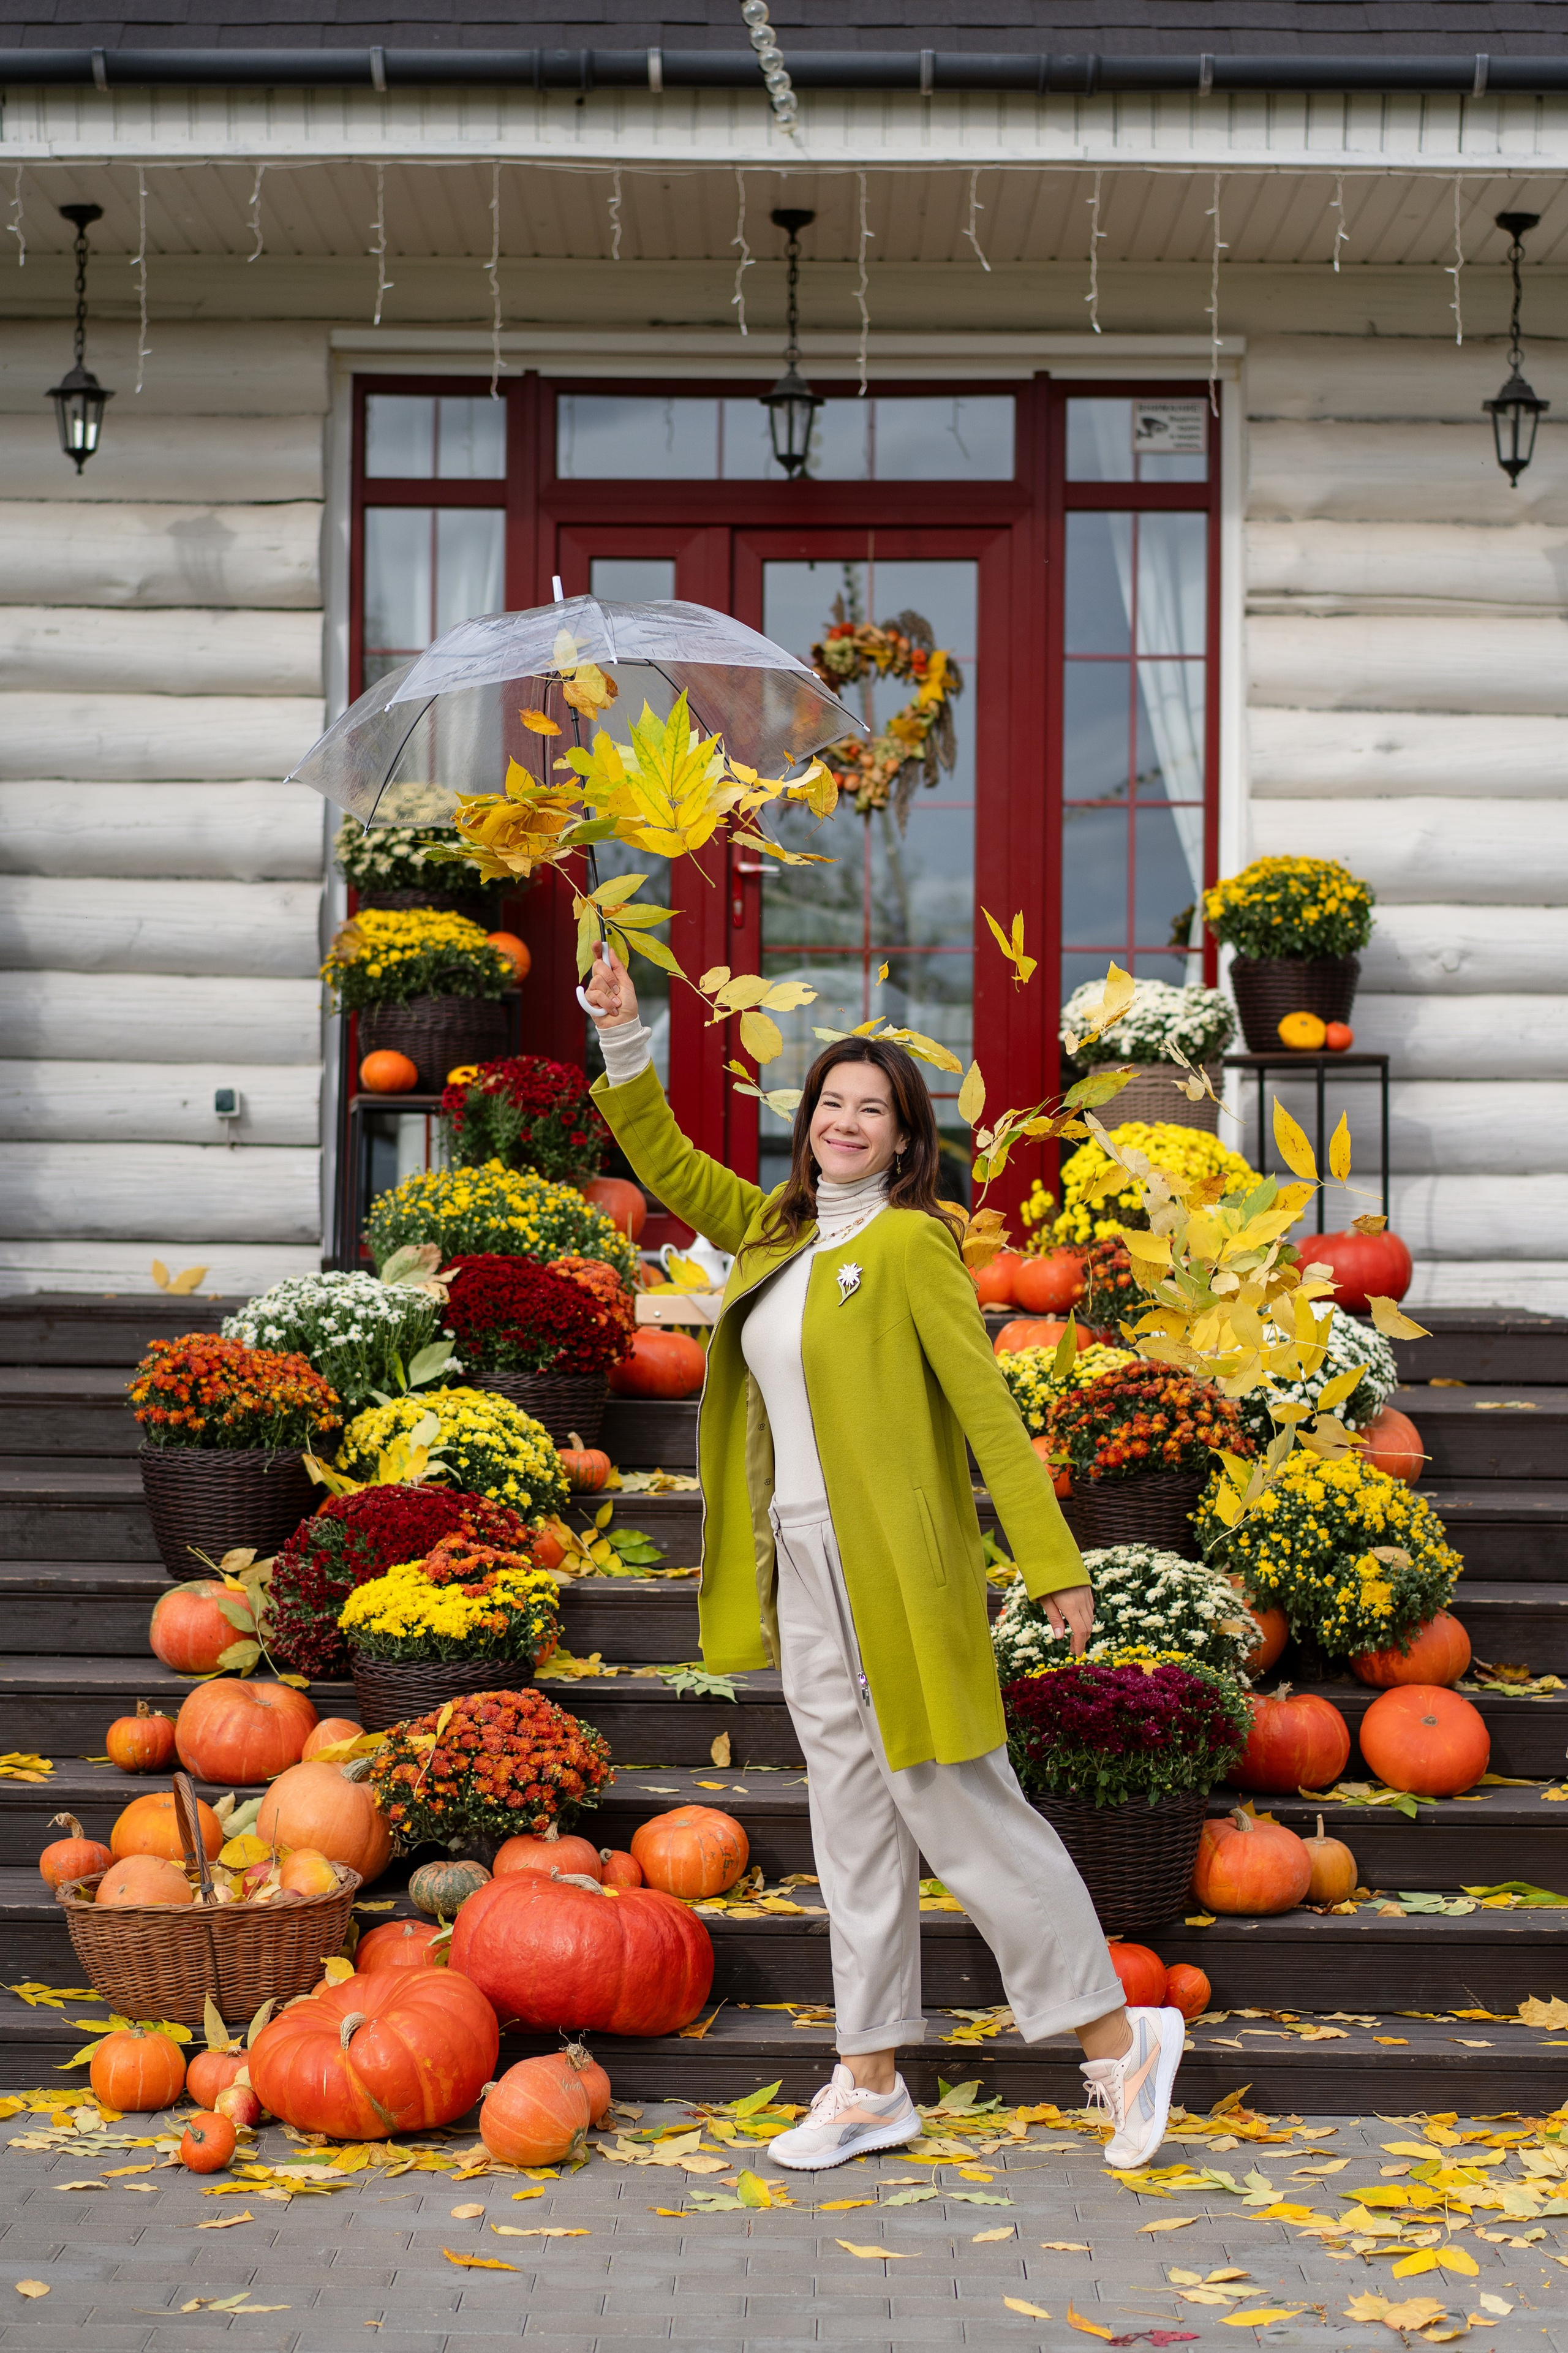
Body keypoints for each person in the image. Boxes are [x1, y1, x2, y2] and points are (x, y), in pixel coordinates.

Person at [582, 942, 1183, 2172]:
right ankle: (868, 2080)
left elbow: (986, 1411)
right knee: (849, 1819)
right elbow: (660, 1160)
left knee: (958, 1809)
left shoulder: (911, 1248)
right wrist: (623, 1036)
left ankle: (1118, 2044)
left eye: (872, 1109)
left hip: (897, 1571)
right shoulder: (771, 1230)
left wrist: (1055, 1561)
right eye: (829, 1105)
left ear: (905, 1142)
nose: (845, 1122)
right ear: (803, 1127)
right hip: (800, 1564)